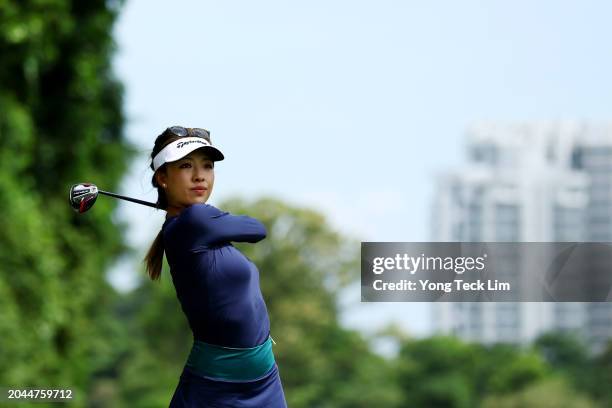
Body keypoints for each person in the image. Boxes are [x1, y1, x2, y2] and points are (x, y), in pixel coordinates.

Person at [143, 126, 288, 407]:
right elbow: (256, 228)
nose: (200, 176)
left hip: (264, 379)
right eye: (186, 166)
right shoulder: (198, 219)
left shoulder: (194, 225)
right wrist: (218, 218)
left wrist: (216, 222)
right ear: (162, 177)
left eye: (207, 167)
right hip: (215, 386)